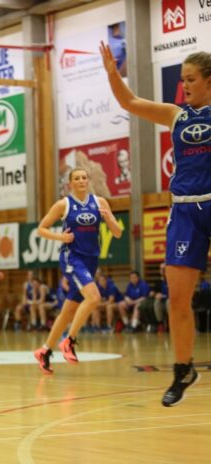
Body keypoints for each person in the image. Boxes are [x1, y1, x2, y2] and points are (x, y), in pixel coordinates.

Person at [100, 43, 211, 406]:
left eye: (191, 79)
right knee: (177, 298)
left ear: (209, 81)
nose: (185, 85)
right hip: (185, 211)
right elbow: (130, 102)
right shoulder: (176, 115)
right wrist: (113, 74)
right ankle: (183, 370)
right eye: (183, 79)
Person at [33, 168, 122, 375]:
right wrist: (60, 237)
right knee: (94, 297)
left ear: (88, 181)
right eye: (77, 178)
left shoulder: (100, 202)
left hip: (91, 260)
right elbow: (41, 228)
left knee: (68, 311)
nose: (81, 181)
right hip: (72, 258)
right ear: (70, 183)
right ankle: (69, 341)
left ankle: (44, 351)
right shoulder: (64, 204)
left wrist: (109, 219)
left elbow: (117, 233)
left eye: (84, 178)